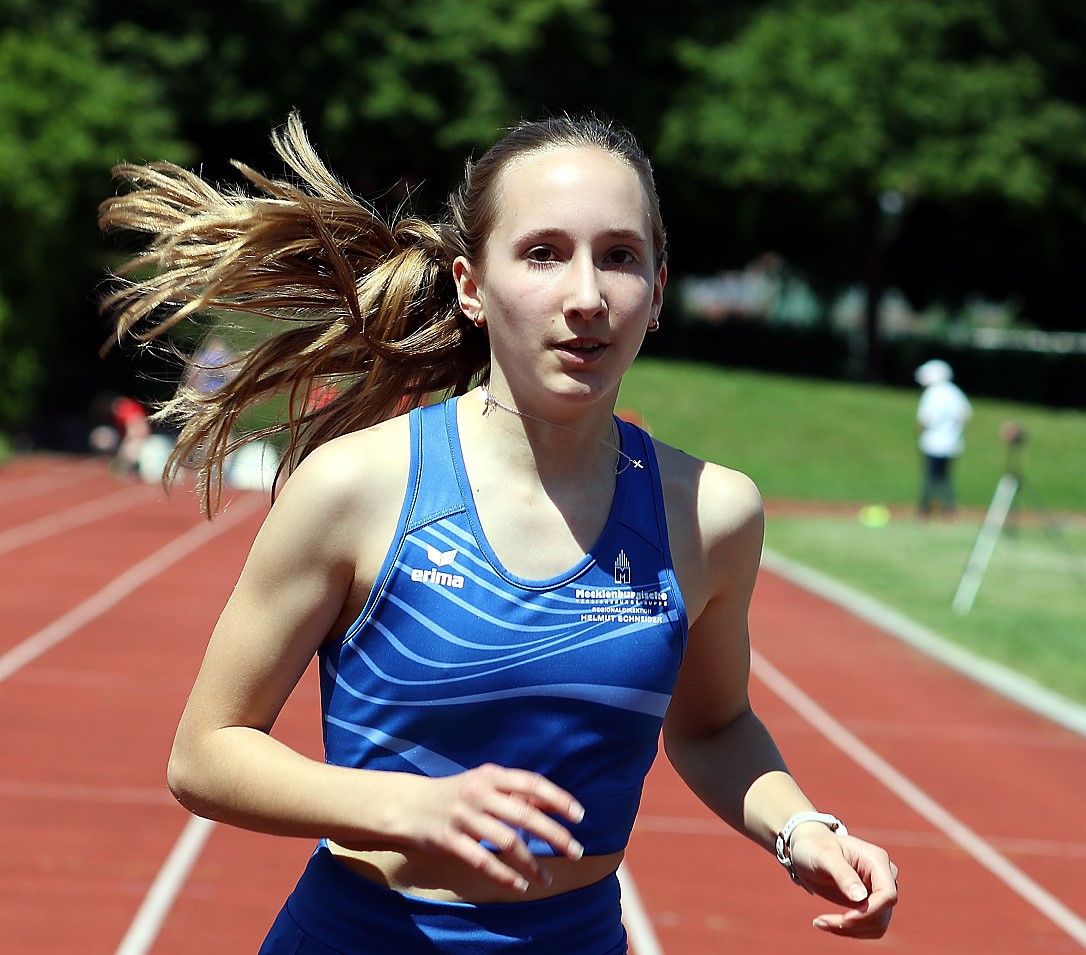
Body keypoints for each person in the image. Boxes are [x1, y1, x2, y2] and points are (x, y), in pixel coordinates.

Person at [99, 112, 898, 953]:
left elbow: (713, 725)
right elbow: (205, 753)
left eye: (620, 256)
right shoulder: (354, 487)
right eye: (543, 253)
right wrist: (408, 804)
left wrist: (802, 827)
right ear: (471, 286)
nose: (587, 296)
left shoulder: (711, 513)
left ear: (657, 291)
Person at [915, 359, 972, 518]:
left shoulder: (932, 393)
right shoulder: (955, 392)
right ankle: (949, 510)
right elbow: (966, 415)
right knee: (945, 478)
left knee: (931, 477)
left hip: (932, 443)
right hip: (952, 443)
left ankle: (924, 510)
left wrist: (921, 432)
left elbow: (924, 419)